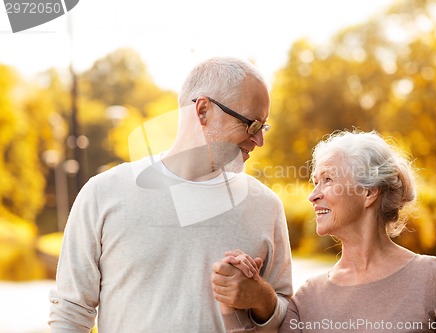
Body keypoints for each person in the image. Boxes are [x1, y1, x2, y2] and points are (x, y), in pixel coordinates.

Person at [48, 57, 293, 332]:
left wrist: (261, 296)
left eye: (263, 127)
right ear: (203, 111)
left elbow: (287, 317)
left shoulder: (266, 207)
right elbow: (70, 314)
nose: (260, 140)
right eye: (252, 125)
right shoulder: (103, 193)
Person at [219, 130, 436, 333]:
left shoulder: (434, 280)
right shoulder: (308, 300)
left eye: (328, 180)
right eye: (315, 182)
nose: (312, 196)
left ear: (368, 192)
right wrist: (232, 301)